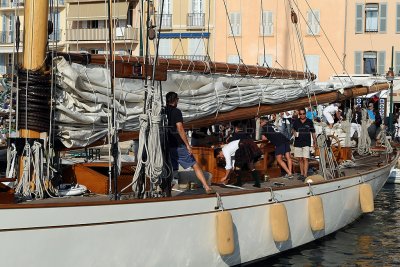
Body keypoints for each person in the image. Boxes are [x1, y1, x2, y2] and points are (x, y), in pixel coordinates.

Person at [165, 92, 215, 194]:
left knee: (171, 169)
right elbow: (180, 128)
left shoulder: (162, 111)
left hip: (166, 145)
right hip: (178, 145)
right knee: (195, 165)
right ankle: (207, 187)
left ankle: (165, 190)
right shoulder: (176, 112)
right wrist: (188, 145)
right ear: (175, 100)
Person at [292, 108, 317, 181]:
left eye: (303, 113)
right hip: (298, 142)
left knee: (305, 158)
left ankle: (305, 175)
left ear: (305, 114)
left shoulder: (309, 122)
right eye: (300, 114)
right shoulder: (296, 122)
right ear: (299, 115)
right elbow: (293, 129)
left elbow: (313, 132)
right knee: (300, 159)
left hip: (306, 142)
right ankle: (302, 174)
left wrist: (315, 142)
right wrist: (294, 132)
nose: (302, 115)